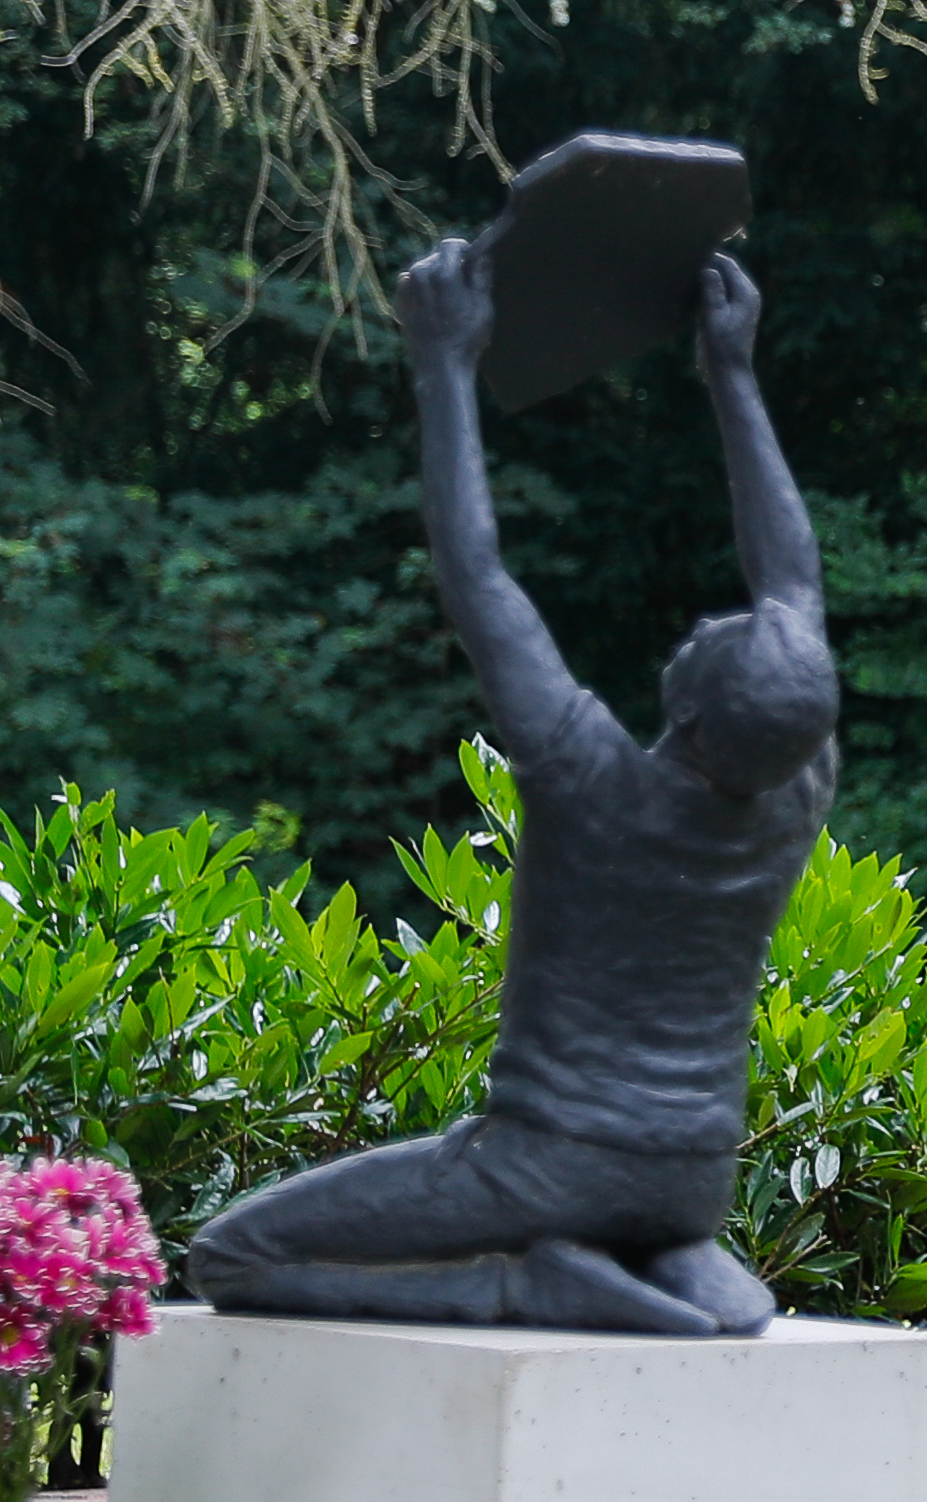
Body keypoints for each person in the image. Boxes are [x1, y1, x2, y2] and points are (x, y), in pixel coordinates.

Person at [189, 244, 838, 1335]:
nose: (702, 622)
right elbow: (793, 582)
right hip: (690, 1174)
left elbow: (477, 573)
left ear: (684, 707)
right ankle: (672, 1264)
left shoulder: (592, 782)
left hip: (549, 1163)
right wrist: (732, 370)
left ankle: (523, 1285)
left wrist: (443, 365)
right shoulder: (794, 781)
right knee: (636, 1212)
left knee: (230, 1253)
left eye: (708, 637)